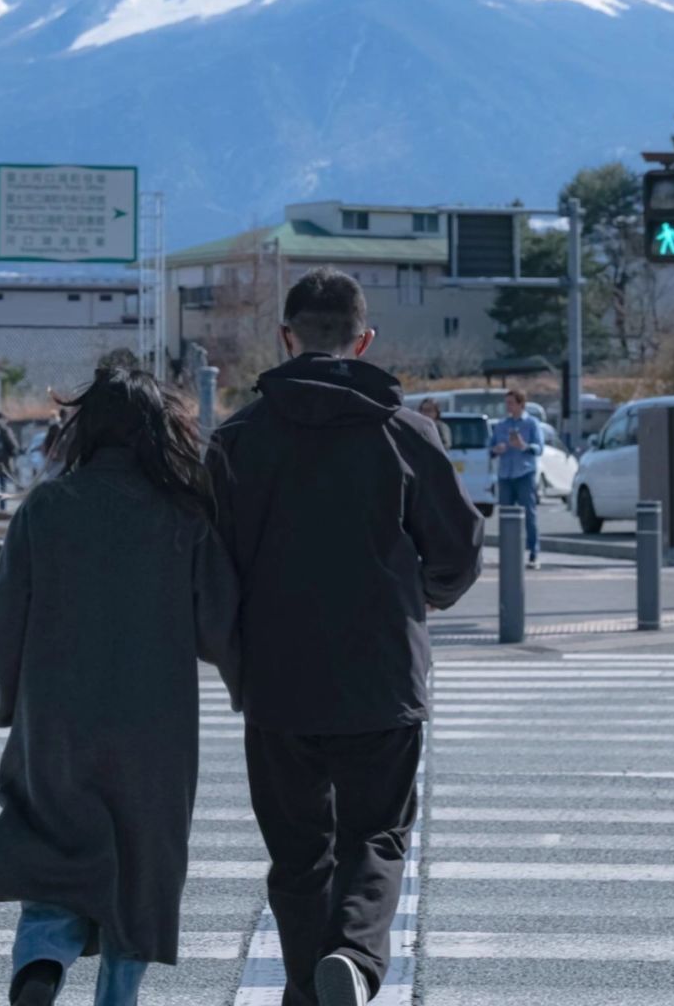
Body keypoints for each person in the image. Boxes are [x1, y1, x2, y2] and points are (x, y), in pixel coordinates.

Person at [0, 368, 241, 1006]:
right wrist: (240, 686)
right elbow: (217, 624)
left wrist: (12, 699)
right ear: (162, 433)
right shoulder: (183, 514)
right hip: (155, 727)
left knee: (54, 844)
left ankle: (43, 955)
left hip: (57, 716)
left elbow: (3, 612)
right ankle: (118, 995)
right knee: (143, 865)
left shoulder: (48, 505)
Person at [207, 267, 482, 1006]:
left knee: (298, 856)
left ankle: (307, 986)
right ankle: (356, 960)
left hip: (278, 682)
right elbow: (457, 551)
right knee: (378, 837)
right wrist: (415, 598)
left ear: (286, 337)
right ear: (363, 341)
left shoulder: (237, 440)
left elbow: (212, 567)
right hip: (383, 677)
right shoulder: (404, 433)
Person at [490, 387, 544, 569]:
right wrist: (496, 450)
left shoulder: (532, 424)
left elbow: (539, 448)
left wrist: (523, 446)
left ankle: (533, 553)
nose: (508, 406)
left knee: (529, 514)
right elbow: (489, 448)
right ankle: (508, 554)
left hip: (524, 473)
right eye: (506, 403)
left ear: (521, 404)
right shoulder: (501, 425)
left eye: (511, 403)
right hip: (505, 474)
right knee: (505, 515)